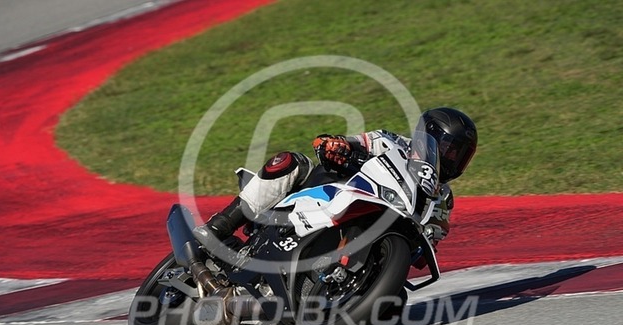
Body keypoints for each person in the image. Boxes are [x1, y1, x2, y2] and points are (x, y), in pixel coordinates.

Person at [194, 107, 478, 260]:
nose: (451, 158)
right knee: (291, 162)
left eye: (459, 154)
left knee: (391, 310)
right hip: (336, 194)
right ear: (428, 136)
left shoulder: (443, 197)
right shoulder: (392, 141)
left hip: (383, 237)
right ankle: (219, 226)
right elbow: (357, 141)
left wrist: (425, 244)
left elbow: (431, 241)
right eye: (448, 148)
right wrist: (336, 144)